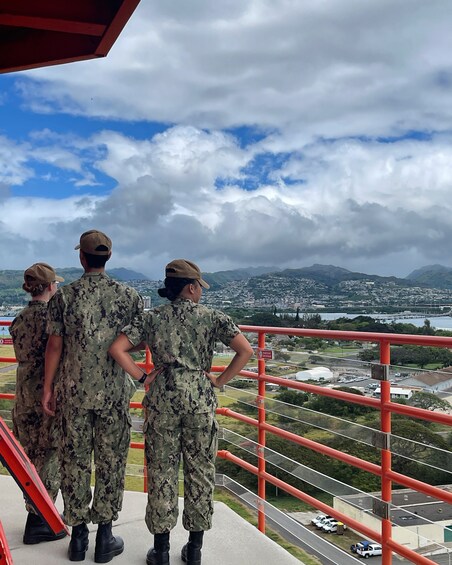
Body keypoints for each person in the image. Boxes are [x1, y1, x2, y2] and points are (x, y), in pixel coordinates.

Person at [109, 259, 253, 565]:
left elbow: (117, 348)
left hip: (162, 401)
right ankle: (194, 549)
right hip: (199, 401)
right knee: (200, 472)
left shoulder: (152, 318)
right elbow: (246, 351)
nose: (200, 291)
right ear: (190, 287)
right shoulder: (212, 317)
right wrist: (220, 381)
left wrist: (142, 377)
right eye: (199, 286)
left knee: (162, 473)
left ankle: (161, 551)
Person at [42, 230, 144, 563]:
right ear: (109, 256)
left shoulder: (64, 297)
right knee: (111, 461)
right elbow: (139, 342)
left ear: (81, 257)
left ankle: (78, 537)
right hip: (114, 393)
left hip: (73, 392)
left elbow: (54, 346)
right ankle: (104, 537)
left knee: (74, 461)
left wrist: (48, 387)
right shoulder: (129, 296)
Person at [10, 262, 66, 545]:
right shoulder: (52, 319)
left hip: (23, 394)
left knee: (29, 456)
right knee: (49, 456)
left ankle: (34, 512)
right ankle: (39, 519)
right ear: (51, 286)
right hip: (46, 392)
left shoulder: (19, 319)